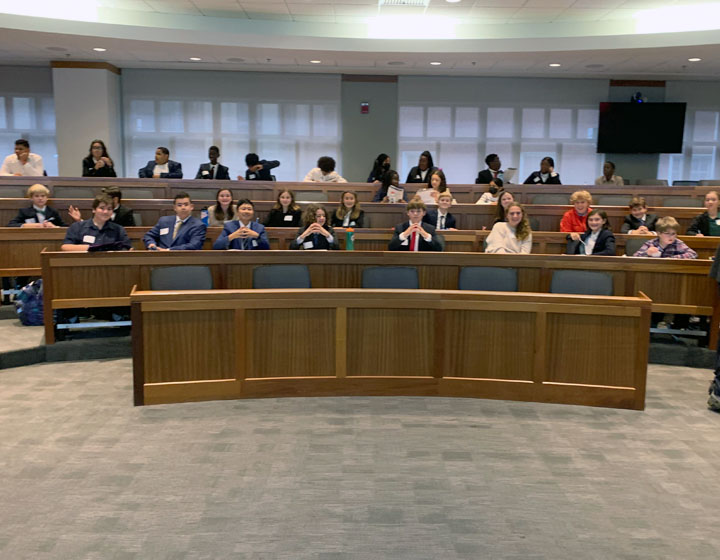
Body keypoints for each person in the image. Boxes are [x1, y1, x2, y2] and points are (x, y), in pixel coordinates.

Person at [60, 195, 132, 252]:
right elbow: (65, 247)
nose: (105, 212)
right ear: (94, 210)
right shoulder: (77, 227)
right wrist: (92, 248)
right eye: (102, 208)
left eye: (109, 209)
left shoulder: (119, 229)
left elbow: (128, 249)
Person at [8, 184, 73, 228]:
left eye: (43, 196)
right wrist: (33, 226)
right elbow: (11, 225)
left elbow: (65, 226)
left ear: (47, 198)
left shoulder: (53, 211)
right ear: (31, 198)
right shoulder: (25, 212)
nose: (40, 198)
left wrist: (54, 226)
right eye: (36, 196)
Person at [633, 217, 697, 259]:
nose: (671, 236)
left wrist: (672, 258)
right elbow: (635, 256)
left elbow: (693, 254)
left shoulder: (678, 243)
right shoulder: (651, 243)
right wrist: (647, 253)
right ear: (659, 233)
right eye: (667, 233)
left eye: (673, 234)